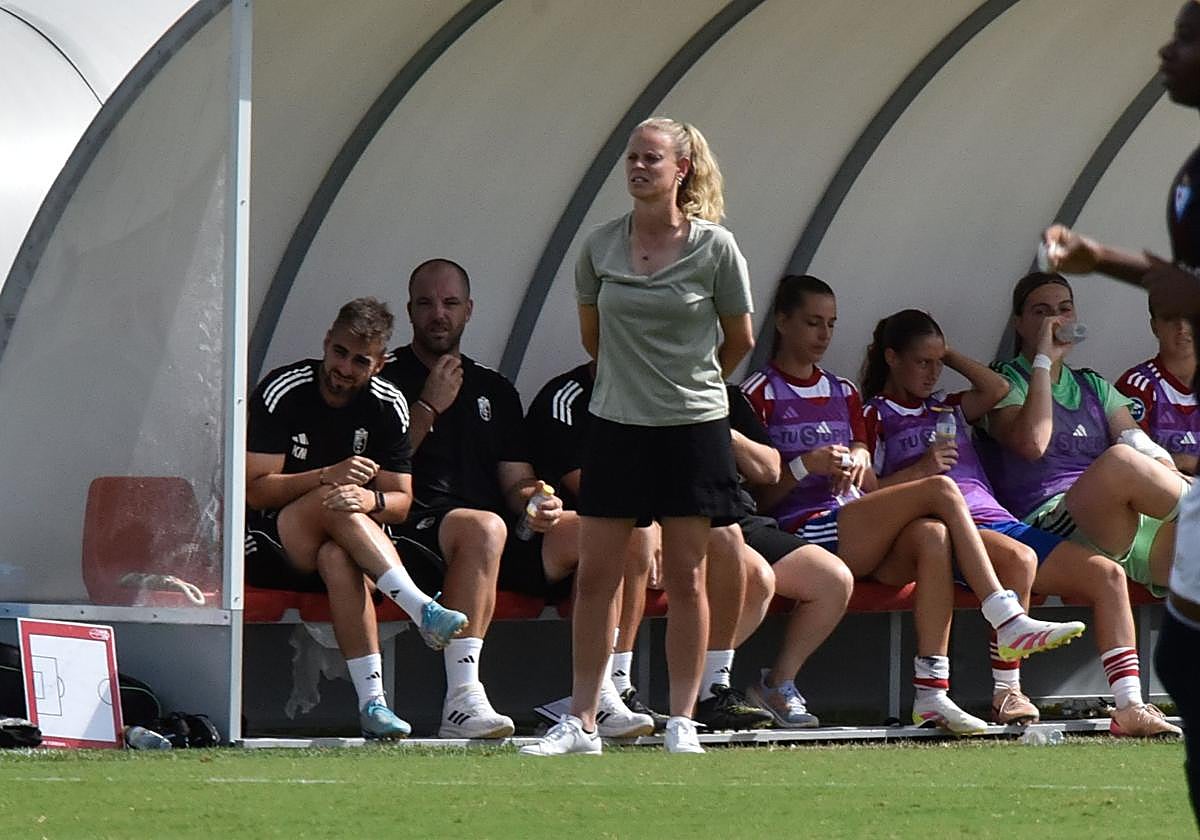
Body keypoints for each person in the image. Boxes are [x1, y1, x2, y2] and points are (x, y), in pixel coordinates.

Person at [743, 275, 1085, 735]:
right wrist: (807, 466)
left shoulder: (844, 392)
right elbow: (759, 495)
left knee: (933, 535)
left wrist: (858, 458)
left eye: (831, 324)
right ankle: (1003, 613)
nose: (824, 335)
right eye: (812, 323)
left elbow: (993, 394)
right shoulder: (759, 392)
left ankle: (932, 695)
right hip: (807, 530)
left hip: (860, 526)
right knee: (942, 490)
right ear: (781, 322)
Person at [522, 117, 755, 755]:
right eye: (632, 157)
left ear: (681, 169)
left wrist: (690, 385)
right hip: (617, 426)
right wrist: (632, 385)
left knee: (686, 578)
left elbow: (739, 341)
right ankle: (583, 722)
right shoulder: (598, 246)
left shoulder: (716, 248)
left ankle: (682, 720)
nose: (638, 167)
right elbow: (592, 338)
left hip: (694, 428)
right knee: (597, 576)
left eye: (652, 158)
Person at [862, 308, 1181, 735]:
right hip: (950, 527)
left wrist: (947, 351)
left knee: (1107, 575)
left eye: (938, 363)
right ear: (891, 357)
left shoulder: (949, 407)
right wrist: (922, 470)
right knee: (1020, 559)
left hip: (1000, 520)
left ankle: (1128, 706)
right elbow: (865, 495)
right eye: (922, 362)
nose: (933, 373)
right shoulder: (874, 413)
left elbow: (994, 388)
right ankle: (1007, 691)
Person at [1039, 2, 1200, 820]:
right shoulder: (1191, 174)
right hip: (1096, 520)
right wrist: (1106, 260)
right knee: (1189, 646)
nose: (1165, 51)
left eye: (1188, 37)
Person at [244, 298, 468, 739]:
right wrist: (327, 476)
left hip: (350, 546)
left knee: (337, 554)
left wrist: (368, 500)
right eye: (340, 353)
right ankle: (420, 605)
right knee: (332, 498)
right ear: (327, 342)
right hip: (279, 540)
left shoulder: (389, 405)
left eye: (360, 360)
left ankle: (373, 704)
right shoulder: (284, 389)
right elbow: (253, 490)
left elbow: (401, 501)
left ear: (380, 364)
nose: (345, 368)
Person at [382, 258, 555, 739]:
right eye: (426, 304)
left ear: (469, 310)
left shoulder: (495, 389)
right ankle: (461, 699)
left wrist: (537, 499)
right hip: (413, 532)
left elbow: (515, 481)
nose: (439, 313)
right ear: (410, 311)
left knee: (597, 532)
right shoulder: (385, 380)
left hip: (490, 537)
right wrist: (428, 406)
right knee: (484, 527)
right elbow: (376, 471)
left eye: (450, 303)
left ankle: (602, 694)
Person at [976, 272, 1189, 600]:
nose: (1054, 319)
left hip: (1121, 524)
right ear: (1018, 323)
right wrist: (1044, 360)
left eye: (1064, 309)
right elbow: (1032, 442)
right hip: (1051, 523)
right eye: (1041, 311)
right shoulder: (1002, 381)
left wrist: (1164, 464)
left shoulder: (1092, 384)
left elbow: (1136, 440)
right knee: (1119, 462)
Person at [525, 360, 664, 735]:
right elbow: (593, 492)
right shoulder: (565, 397)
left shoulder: (655, 394)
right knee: (631, 532)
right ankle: (602, 688)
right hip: (545, 534)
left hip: (632, 522)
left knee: (741, 560)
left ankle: (619, 684)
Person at [1117, 293, 1198, 476]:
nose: (1182, 328)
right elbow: (1133, 464)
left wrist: (1187, 461)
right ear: (1154, 327)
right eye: (1170, 317)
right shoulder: (1136, 386)